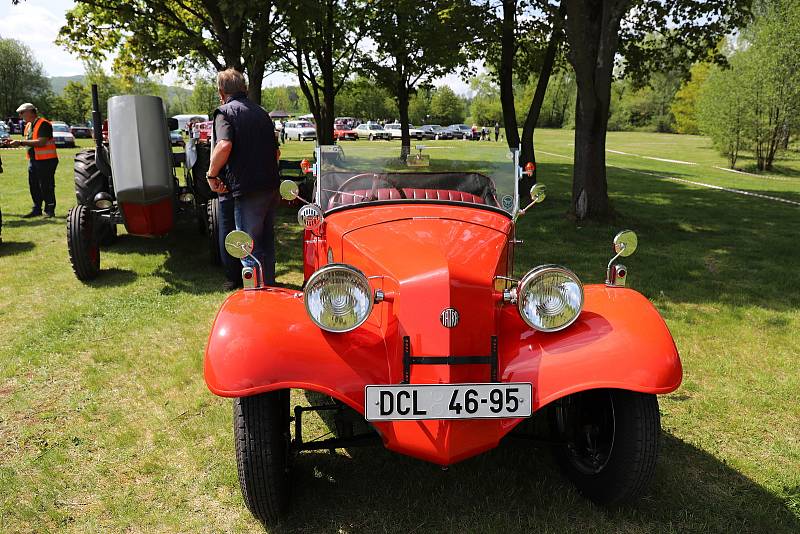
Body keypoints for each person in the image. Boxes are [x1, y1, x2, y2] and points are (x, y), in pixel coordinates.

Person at [206, 69, 280, 290]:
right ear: (244, 88)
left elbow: (224, 145)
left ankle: (256, 295)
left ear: (221, 92)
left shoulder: (224, 113)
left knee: (247, 246)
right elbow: (276, 153)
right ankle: (269, 289)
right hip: (270, 186)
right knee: (266, 243)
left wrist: (211, 174)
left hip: (248, 189)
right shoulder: (262, 112)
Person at [7, 103, 58, 218]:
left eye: (22, 113)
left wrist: (20, 142)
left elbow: (41, 142)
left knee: (46, 185)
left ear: (30, 112)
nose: (20, 116)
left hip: (47, 160)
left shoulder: (44, 124)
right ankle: (37, 209)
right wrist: (14, 142)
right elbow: (30, 142)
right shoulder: (29, 125)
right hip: (34, 160)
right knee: (34, 185)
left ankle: (49, 210)